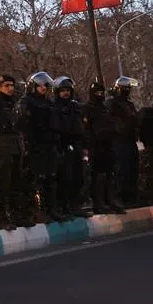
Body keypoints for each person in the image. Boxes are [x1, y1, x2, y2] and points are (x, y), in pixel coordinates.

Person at [17, 72, 62, 222]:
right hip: (35, 146)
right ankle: (39, 211)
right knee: (38, 179)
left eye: (46, 85)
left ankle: (52, 208)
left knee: (51, 178)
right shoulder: (26, 102)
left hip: (49, 144)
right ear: (33, 86)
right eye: (41, 85)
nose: (44, 88)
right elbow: (24, 124)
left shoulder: (48, 102)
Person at [0, 74, 27, 230]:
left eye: (12, 85)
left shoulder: (14, 103)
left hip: (16, 146)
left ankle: (16, 215)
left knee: (16, 183)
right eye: (6, 85)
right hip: (1, 147)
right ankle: (2, 216)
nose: (10, 88)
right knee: (2, 183)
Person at [82, 81, 122, 214]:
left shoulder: (105, 108)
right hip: (95, 146)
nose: (99, 95)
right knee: (97, 176)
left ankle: (109, 200)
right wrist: (89, 145)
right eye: (97, 93)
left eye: (101, 92)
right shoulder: (87, 108)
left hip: (108, 145)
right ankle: (98, 203)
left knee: (110, 174)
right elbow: (86, 129)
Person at [51, 76, 87, 217]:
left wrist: (84, 145)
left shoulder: (75, 106)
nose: (66, 93)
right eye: (63, 90)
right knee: (65, 178)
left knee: (79, 177)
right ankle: (64, 207)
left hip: (76, 145)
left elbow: (81, 127)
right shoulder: (54, 107)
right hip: (62, 145)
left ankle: (75, 205)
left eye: (68, 90)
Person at [107, 76, 140, 208]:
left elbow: (134, 119)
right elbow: (112, 121)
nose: (127, 90)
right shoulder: (112, 103)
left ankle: (131, 197)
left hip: (130, 140)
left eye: (129, 88)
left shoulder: (129, 104)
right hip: (119, 141)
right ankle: (119, 197)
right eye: (125, 88)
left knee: (133, 169)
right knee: (122, 170)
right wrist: (122, 127)